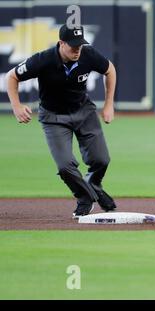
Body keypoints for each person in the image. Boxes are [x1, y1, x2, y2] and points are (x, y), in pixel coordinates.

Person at [5, 24, 117, 218]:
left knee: (101, 160)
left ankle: (92, 184)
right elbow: (12, 76)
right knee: (65, 166)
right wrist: (16, 106)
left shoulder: (88, 55)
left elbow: (110, 70)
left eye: (80, 45)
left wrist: (109, 104)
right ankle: (85, 197)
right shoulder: (43, 60)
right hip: (53, 117)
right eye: (73, 46)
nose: (77, 50)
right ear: (61, 43)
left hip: (84, 112)